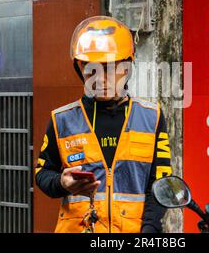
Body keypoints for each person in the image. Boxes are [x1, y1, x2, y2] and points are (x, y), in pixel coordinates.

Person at [35, 16, 173, 233]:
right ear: (79, 68)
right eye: (92, 69)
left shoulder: (151, 118)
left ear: (127, 67)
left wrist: (149, 230)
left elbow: (161, 184)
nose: (101, 78)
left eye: (110, 68)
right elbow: (42, 174)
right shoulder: (61, 120)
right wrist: (61, 183)